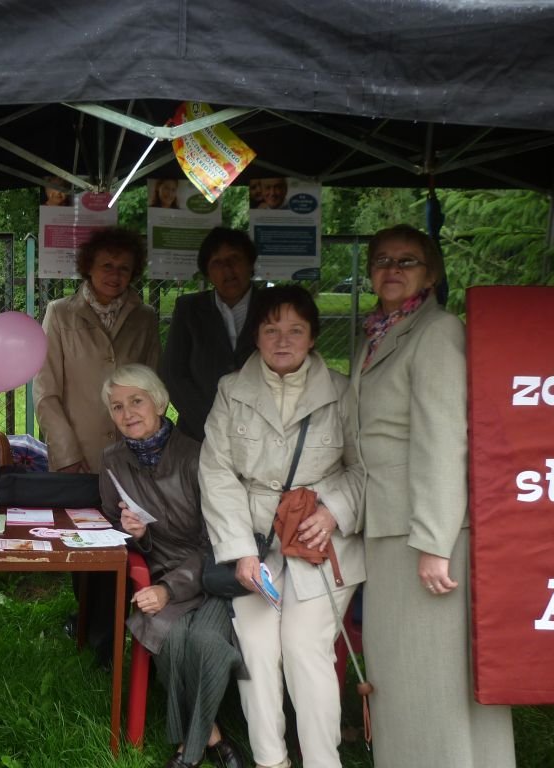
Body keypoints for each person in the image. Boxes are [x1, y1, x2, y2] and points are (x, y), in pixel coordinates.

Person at [348, 225, 516, 768]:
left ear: (431, 273)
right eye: (382, 260)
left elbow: (444, 440)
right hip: (387, 525)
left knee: (431, 676)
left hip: (420, 534)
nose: (392, 270)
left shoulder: (437, 331)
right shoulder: (378, 333)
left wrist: (435, 542)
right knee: (405, 672)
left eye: (407, 261)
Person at [200, 285, 365, 768]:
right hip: (255, 542)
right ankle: (271, 761)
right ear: (256, 336)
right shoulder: (231, 390)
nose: (283, 340)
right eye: (271, 329)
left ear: (313, 336)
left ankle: (321, 762)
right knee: (255, 646)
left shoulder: (342, 392)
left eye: (295, 329)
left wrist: (332, 510)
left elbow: (365, 468)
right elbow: (217, 472)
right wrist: (240, 551)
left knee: (303, 646)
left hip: (321, 542)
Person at [99, 364, 244, 768]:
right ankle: (213, 737)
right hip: (158, 573)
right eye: (117, 406)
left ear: (160, 403)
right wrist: (135, 533)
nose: (127, 413)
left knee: (206, 642)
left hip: (212, 576)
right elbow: (112, 525)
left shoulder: (197, 455)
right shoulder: (111, 460)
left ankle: (188, 752)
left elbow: (215, 539)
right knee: (174, 638)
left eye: (137, 401)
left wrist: (169, 590)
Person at [33, 226, 161, 664]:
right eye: (106, 265)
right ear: (88, 266)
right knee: (81, 540)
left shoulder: (145, 318)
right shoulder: (60, 314)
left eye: (124, 268)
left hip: (132, 454)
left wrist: (148, 446)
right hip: (80, 453)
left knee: (123, 539)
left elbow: (152, 386)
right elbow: (46, 392)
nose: (115, 274)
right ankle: (87, 620)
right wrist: (66, 454)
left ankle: (112, 632)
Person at [161, 227, 259, 441]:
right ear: (207, 273)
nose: (227, 269)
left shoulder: (273, 306)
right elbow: (173, 374)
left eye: (234, 259)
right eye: (217, 263)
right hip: (200, 432)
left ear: (250, 264)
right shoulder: (189, 309)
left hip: (262, 433)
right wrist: (211, 426)